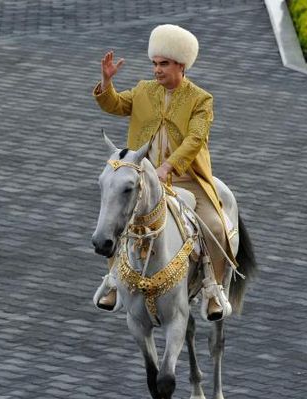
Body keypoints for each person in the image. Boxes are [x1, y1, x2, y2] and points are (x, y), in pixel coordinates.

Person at [92, 24, 234, 319]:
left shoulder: (201, 100)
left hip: (187, 178)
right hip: (144, 177)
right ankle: (114, 281)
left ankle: (212, 288)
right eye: (155, 63)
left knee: (217, 227)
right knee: (116, 215)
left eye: (164, 64)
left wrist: (168, 166)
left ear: (181, 65)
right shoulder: (144, 90)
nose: (157, 70)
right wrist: (106, 83)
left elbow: (195, 140)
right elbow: (115, 105)